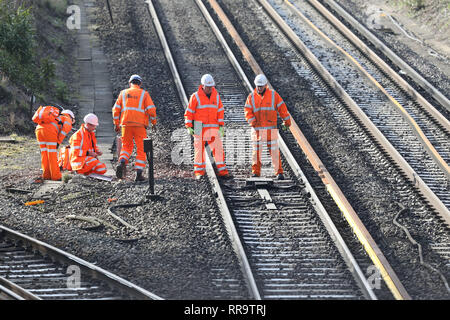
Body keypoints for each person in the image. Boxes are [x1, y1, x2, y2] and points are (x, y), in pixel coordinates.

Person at [244, 74, 291, 180]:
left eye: (261, 86)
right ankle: (256, 172)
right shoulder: (251, 97)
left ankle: (279, 173)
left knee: (274, 151)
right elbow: (247, 111)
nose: (259, 88)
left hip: (270, 130)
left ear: (265, 85)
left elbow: (282, 108)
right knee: (256, 152)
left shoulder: (274, 95)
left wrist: (287, 121)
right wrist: (252, 122)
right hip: (257, 130)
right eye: (257, 86)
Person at [184, 74, 230, 180]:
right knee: (199, 150)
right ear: (202, 86)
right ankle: (199, 172)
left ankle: (222, 171)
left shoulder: (216, 96)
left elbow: (220, 111)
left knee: (218, 149)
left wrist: (221, 126)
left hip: (213, 126)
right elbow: (189, 112)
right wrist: (189, 126)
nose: (210, 89)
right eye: (208, 87)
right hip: (199, 126)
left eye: (211, 87)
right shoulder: (195, 97)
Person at [112, 74, 156, 181]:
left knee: (126, 146)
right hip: (139, 125)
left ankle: (122, 161)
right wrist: (154, 122)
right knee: (141, 148)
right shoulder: (144, 94)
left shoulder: (123, 93)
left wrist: (116, 124)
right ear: (140, 83)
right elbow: (151, 109)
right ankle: (138, 173)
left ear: (130, 83)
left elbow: (115, 110)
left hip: (125, 125)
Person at [34, 107, 75, 181]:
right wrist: (58, 142)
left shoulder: (56, 117)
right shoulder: (67, 118)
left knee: (44, 153)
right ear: (71, 116)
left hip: (39, 130)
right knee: (52, 155)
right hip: (49, 131)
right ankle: (55, 176)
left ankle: (46, 175)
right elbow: (63, 132)